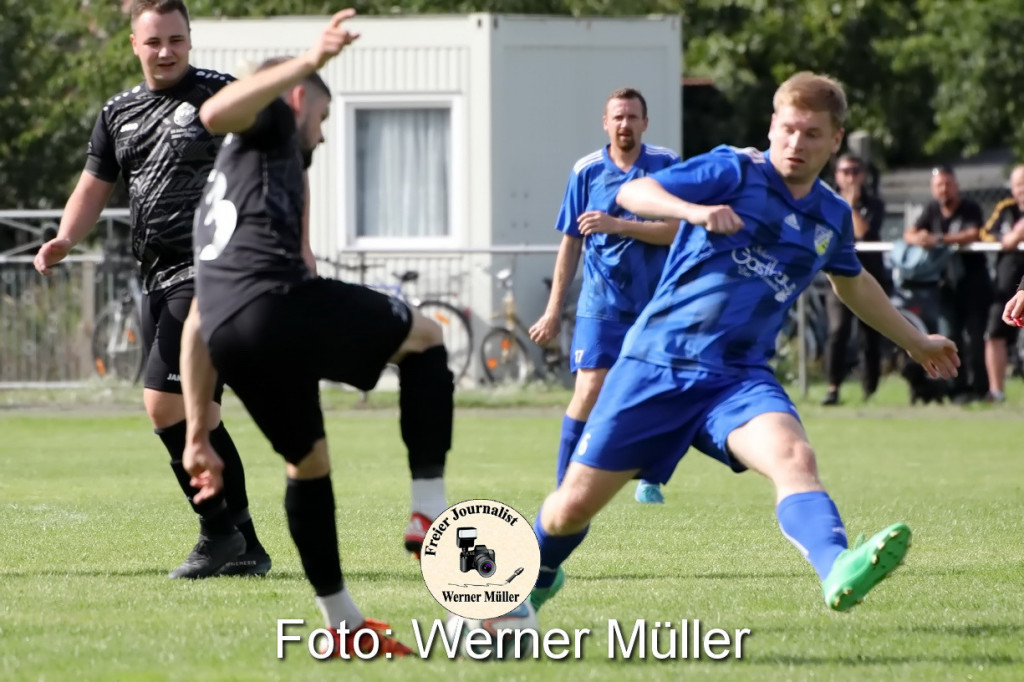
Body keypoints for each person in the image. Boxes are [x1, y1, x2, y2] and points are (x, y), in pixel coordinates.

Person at [526, 72, 960, 615]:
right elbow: (632, 191)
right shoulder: (733, 170)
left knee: (793, 455)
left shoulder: (831, 215)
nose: (796, 144)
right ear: (772, 127)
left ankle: (837, 564)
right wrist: (694, 211)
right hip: (655, 365)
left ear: (836, 140)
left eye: (811, 134)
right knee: (570, 509)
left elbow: (851, 282)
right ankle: (533, 576)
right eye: (787, 129)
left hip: (736, 378)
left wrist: (916, 342)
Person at [180, 10, 453, 655]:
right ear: (298, 99)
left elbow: (198, 318)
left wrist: (198, 434)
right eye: (323, 119)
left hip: (229, 334)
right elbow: (213, 113)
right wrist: (309, 62)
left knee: (308, 465)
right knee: (429, 337)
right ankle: (428, 510)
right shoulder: (273, 119)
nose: (324, 137)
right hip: (277, 305)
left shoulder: (230, 186)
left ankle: (345, 625)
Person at [33, 0, 270, 579]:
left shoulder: (220, 95)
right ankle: (244, 543)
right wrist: (66, 236)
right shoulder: (118, 112)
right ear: (135, 45)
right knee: (199, 414)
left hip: (214, 271)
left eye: (176, 40)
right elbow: (94, 186)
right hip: (159, 276)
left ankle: (216, 534)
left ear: (190, 40)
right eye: (154, 41)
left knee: (163, 402)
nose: (166, 52)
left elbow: (273, 161)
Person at [529, 88, 680, 505]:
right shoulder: (586, 171)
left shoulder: (666, 166)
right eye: (618, 117)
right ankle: (564, 485)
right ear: (605, 122)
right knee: (589, 389)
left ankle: (651, 475)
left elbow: (678, 229)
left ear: (645, 123)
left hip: (655, 304)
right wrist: (553, 310)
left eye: (632, 117)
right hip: (601, 302)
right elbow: (570, 243)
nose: (625, 124)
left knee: (660, 391)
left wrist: (620, 225)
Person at [903, 166, 991, 403]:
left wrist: (940, 240)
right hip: (947, 286)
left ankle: (980, 389)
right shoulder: (932, 210)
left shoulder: (969, 208)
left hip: (974, 284)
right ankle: (955, 389)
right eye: (939, 185)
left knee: (975, 337)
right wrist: (920, 239)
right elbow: (909, 234)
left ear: (956, 185)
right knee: (950, 337)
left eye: (948, 184)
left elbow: (974, 233)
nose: (944, 189)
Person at [821, 153, 890, 405]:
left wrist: (849, 206)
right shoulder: (825, 202)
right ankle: (832, 387)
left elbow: (863, 232)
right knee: (838, 330)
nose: (850, 177)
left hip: (871, 276)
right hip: (838, 277)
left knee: (870, 332)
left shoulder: (874, 205)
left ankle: (869, 389)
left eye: (855, 171)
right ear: (836, 175)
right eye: (845, 171)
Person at [979, 165, 1024, 402]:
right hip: (1007, 286)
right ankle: (996, 391)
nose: (1022, 189)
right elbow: (985, 233)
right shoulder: (1005, 209)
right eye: (1018, 184)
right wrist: (1006, 238)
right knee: (994, 332)